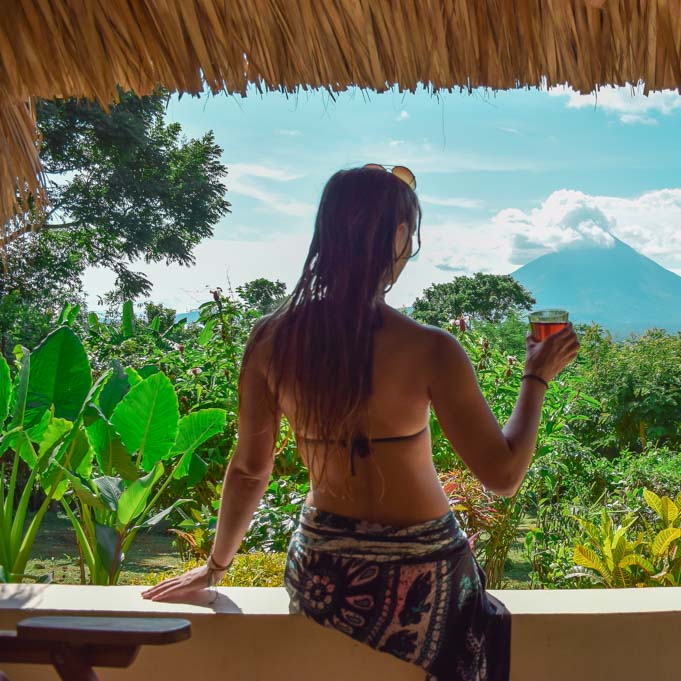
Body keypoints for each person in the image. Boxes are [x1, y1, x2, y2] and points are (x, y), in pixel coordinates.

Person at [142, 165, 580, 681]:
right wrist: (535, 377)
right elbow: (503, 476)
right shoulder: (430, 349)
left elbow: (249, 471)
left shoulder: (270, 341)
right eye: (410, 237)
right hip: (425, 579)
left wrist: (217, 566)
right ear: (398, 236)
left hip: (323, 579)